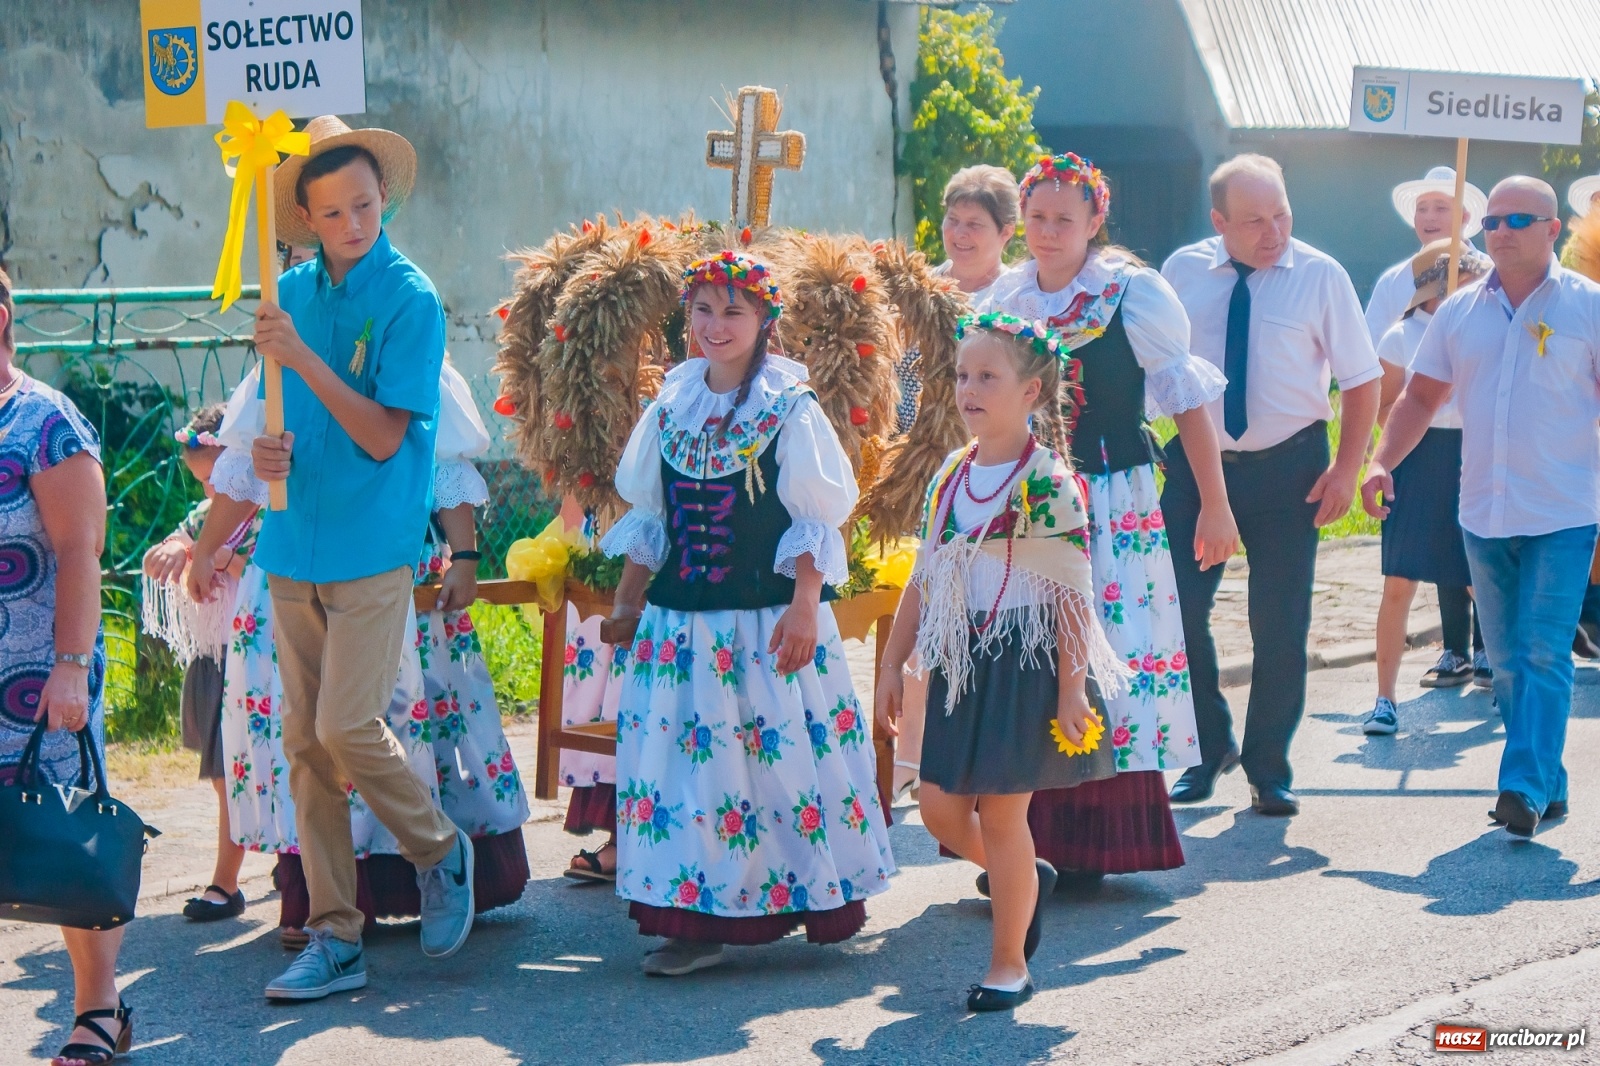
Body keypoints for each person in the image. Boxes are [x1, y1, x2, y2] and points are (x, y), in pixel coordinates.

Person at [600, 251, 895, 976]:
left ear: (765, 321)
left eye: (734, 310)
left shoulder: (788, 409)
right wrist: (627, 601)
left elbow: (815, 521)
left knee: (770, 767)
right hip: (682, 628)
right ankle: (692, 921)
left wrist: (804, 608)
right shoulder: (669, 408)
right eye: (702, 309)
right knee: (690, 774)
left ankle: (782, 898)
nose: (715, 325)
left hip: (764, 624)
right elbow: (650, 517)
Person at [235, 114, 474, 998]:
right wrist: (268, 457)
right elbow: (280, 416)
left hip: (373, 546)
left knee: (344, 726)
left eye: (365, 205)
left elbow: (380, 437)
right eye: (332, 212)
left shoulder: (411, 299)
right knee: (303, 743)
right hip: (292, 537)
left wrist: (302, 358)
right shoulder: (285, 292)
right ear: (305, 214)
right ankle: (336, 938)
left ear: (385, 200)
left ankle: (441, 852)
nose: (352, 224)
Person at [193, 357, 529, 944]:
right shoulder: (282, 349)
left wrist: (466, 556)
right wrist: (204, 547)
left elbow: (443, 462)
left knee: (379, 717)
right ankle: (329, 905)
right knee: (302, 735)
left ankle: (428, 865)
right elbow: (247, 463)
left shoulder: (402, 329)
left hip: (387, 564)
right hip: (296, 561)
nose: (303, 261)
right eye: (293, 256)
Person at [984, 152, 1235, 880]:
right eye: (1036, 218)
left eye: (1066, 218)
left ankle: (1092, 839)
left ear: (1096, 221)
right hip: (1025, 501)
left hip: (1111, 500)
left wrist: (1214, 505)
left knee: (1102, 650)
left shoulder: (1132, 294)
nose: (1049, 231)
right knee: (1026, 651)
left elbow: (1187, 404)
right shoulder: (1005, 297)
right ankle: (1017, 838)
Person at [877, 312, 1122, 1011]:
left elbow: (1073, 597)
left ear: (1033, 393)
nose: (969, 389)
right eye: (961, 374)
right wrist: (894, 663)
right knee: (940, 813)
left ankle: (1008, 964)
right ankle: (1027, 879)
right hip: (960, 661)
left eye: (988, 376)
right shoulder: (953, 477)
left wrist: (1072, 690)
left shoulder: (1048, 484)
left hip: (1027, 664)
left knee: (1005, 816)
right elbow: (925, 578)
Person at [1362, 176, 1600, 838]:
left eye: (1519, 219)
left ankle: (1520, 784)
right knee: (1507, 660)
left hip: (1564, 512)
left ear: (1553, 230)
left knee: (1545, 652)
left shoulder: (1589, 307)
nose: (1500, 230)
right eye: (1492, 220)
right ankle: (1547, 781)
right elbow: (1417, 398)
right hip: (1484, 515)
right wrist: (1381, 460)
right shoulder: (1460, 312)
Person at [1161, 154, 1382, 816]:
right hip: (1199, 470)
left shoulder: (1320, 276)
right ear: (1218, 221)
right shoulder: (1181, 274)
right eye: (1254, 220)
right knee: (1173, 612)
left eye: (1281, 213)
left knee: (1279, 625)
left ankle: (1269, 765)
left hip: (1292, 469)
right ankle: (1207, 747)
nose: (1273, 231)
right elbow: (1166, 372)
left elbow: (1362, 378)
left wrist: (1346, 467)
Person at [0, 266, 129, 1066]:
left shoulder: (43, 424)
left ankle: (98, 1010)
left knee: (68, 835)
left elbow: (82, 553)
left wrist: (72, 667)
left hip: (38, 676)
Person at [889, 163, 1022, 802]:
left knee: (969, 618)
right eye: (952, 221)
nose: (960, 235)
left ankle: (963, 766)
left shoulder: (1014, 300)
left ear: (1005, 232)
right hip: (920, 468)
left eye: (975, 224)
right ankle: (909, 765)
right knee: (914, 615)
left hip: (985, 471)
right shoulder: (920, 291)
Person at [1361, 241, 1492, 735]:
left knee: (1481, 579)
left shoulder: (1489, 331)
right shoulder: (1401, 337)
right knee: (1400, 581)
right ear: (1435, 290)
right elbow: (1382, 409)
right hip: (1417, 461)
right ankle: (1384, 699)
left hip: (1473, 456)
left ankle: (1504, 679)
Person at [140, 404, 255, 922]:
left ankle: (226, 884)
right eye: (202, 483)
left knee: (240, 770)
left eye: (214, 480)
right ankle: (257, 869)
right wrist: (171, 548)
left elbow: (262, 568)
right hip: (215, 656)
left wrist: (218, 558)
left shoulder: (266, 510)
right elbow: (185, 535)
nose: (209, 493)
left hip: (254, 657)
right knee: (222, 773)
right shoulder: (209, 515)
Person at [1365, 167, 1487, 344]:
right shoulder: (1392, 282)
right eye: (1422, 209)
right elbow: (1372, 348)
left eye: (1441, 208)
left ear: (1464, 217)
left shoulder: (1492, 273)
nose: (1429, 217)